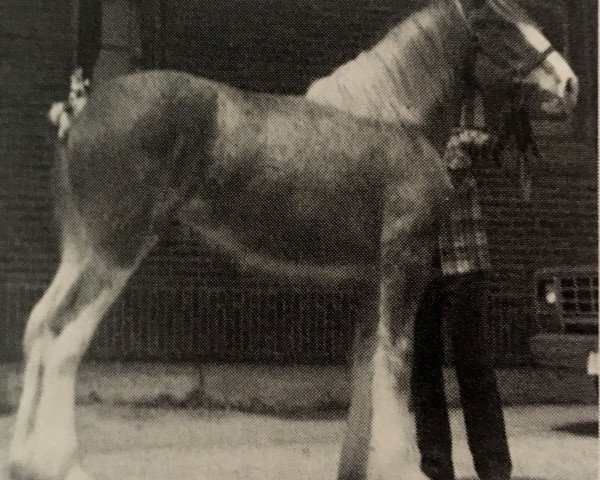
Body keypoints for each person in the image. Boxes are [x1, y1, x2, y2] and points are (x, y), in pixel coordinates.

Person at [411, 94, 512, 480]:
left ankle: (495, 470)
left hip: (464, 254)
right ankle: (436, 469)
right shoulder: (410, 105)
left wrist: (466, 146)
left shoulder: (468, 101)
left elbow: (486, 144)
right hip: (419, 260)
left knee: (475, 368)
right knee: (424, 371)